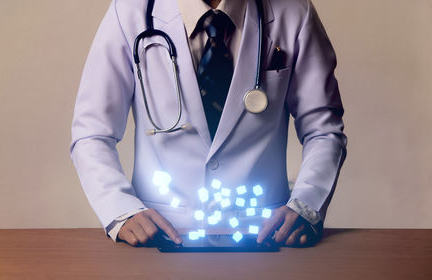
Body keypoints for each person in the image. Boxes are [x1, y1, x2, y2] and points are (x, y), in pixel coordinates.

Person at [70, 0, 347, 248]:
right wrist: (120, 208)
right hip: (159, 237)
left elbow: (323, 131)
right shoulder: (130, 11)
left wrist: (307, 205)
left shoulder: (294, 12)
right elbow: (92, 132)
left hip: (264, 236)